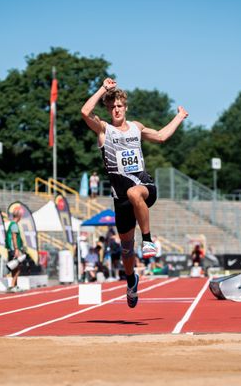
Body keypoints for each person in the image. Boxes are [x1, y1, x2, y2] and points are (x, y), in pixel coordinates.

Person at [81, 77, 188, 308]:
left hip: (144, 186)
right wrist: (103, 89)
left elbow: (160, 136)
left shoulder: (137, 127)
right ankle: (131, 281)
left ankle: (148, 240)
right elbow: (85, 111)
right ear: (108, 109)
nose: (116, 109)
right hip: (120, 200)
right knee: (127, 250)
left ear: (125, 107)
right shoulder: (104, 130)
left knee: (134, 193)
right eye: (112, 107)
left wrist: (179, 117)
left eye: (120, 105)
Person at [5, 208, 28, 292]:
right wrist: (16, 249)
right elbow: (14, 238)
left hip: (11, 249)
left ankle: (15, 286)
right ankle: (12, 285)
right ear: (19, 216)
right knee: (17, 268)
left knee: (15, 267)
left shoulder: (11, 224)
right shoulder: (14, 225)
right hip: (14, 249)